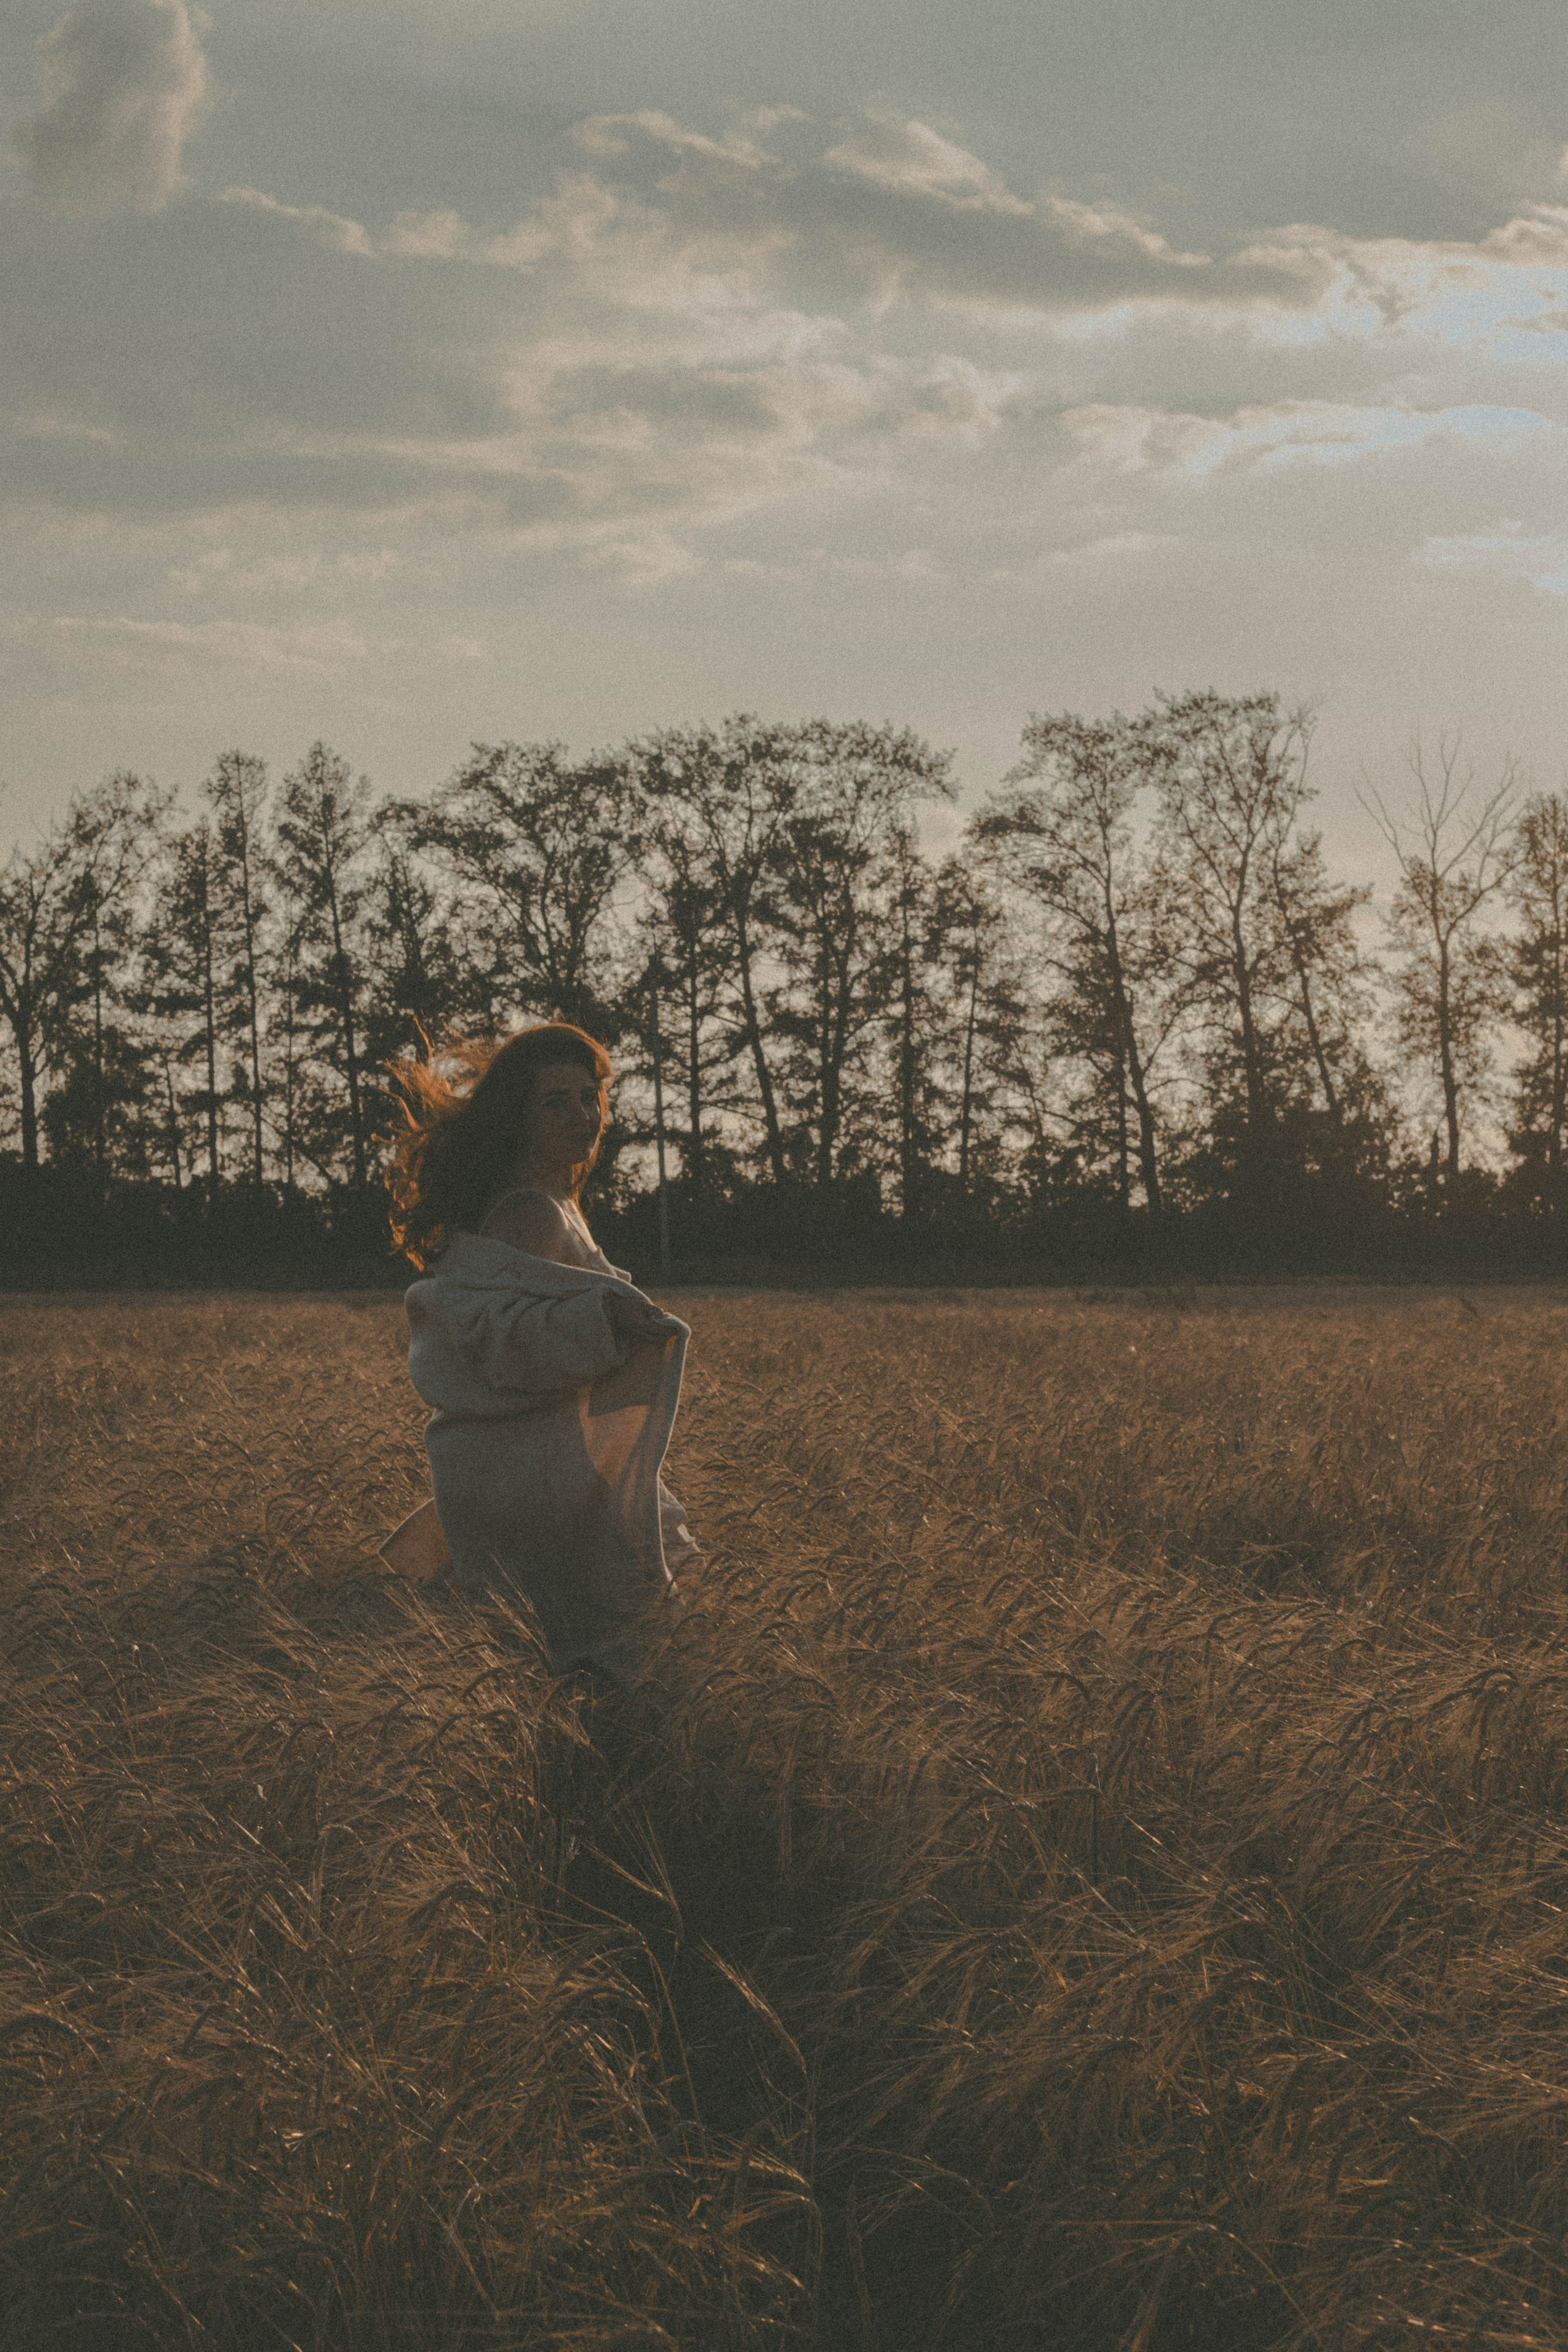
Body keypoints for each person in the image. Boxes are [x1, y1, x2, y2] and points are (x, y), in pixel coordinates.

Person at [382, 1022, 697, 1682]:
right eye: (556, 1102)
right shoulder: (530, 1211)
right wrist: (609, 1323)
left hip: (540, 1465)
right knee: (595, 1655)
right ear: (516, 1116)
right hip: (533, 1479)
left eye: (591, 1097)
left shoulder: (556, 1201)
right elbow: (495, 1341)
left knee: (577, 1657)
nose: (583, 1116)